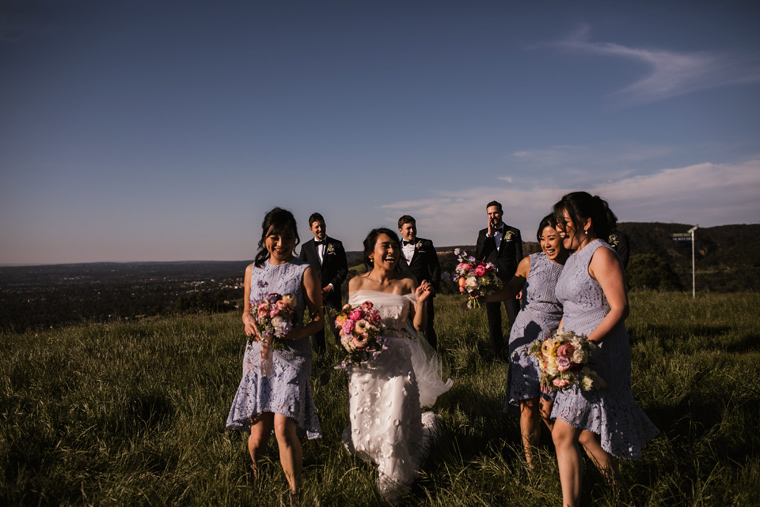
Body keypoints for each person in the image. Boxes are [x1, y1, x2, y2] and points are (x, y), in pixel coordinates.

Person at [550, 192, 659, 507]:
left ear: (586, 223)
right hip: (571, 353)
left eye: (564, 223)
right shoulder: (574, 257)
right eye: (557, 224)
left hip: (597, 354)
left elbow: (619, 308)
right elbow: (569, 310)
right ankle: (621, 494)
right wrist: (553, 350)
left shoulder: (602, 254)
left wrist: (584, 346)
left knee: (562, 434)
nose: (558, 230)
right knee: (584, 435)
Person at [343, 228, 452, 502]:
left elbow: (418, 326)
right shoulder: (355, 283)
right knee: (364, 433)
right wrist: (352, 341)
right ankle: (414, 438)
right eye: (385, 246)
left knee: (395, 424)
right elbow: (348, 325)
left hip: (399, 361)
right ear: (371, 253)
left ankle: (394, 488)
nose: (391, 251)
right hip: (366, 365)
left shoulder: (407, 282)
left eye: (394, 246)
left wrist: (423, 303)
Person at [226, 207, 324, 496]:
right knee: (258, 434)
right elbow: (246, 310)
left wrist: (298, 332)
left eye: (288, 237)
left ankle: (296, 492)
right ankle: (256, 473)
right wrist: (246, 319)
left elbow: (319, 320)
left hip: (294, 358)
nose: (281, 243)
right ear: (265, 237)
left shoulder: (304, 271)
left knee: (283, 428)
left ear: (296, 239)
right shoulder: (252, 271)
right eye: (274, 237)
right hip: (259, 357)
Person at [479, 214, 568, 466]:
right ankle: (531, 463)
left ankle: (565, 454)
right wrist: (484, 297)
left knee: (552, 404)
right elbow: (509, 289)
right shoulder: (530, 262)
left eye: (552, 238)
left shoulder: (574, 266)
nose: (546, 244)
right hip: (525, 335)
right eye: (542, 239)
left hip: (558, 339)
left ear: (564, 235)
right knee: (528, 404)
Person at [475, 200, 524, 360]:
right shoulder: (483, 234)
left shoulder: (514, 232)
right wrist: (489, 235)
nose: (493, 216)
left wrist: (521, 285)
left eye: (495, 213)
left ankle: (517, 351)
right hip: (490, 284)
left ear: (501, 213)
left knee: (514, 318)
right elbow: (479, 256)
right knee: (493, 320)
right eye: (489, 214)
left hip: (510, 282)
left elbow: (519, 259)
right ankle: (497, 354)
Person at [299, 212, 348, 353]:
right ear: (311, 229)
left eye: (322, 226)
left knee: (337, 327)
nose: (320, 229)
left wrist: (331, 286)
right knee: (316, 328)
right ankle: (321, 357)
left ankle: (343, 356)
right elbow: (301, 272)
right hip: (314, 296)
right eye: (316, 227)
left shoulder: (337, 245)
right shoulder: (305, 248)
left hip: (332, 294)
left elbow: (343, 269)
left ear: (325, 225)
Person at [397, 215, 442, 349]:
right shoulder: (394, 247)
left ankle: (431, 356)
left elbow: (435, 267)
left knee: (427, 327)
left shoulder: (426, 244)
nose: (412, 231)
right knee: (405, 327)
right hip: (403, 295)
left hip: (424, 292)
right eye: (408, 228)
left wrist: (432, 285)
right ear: (400, 230)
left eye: (414, 227)